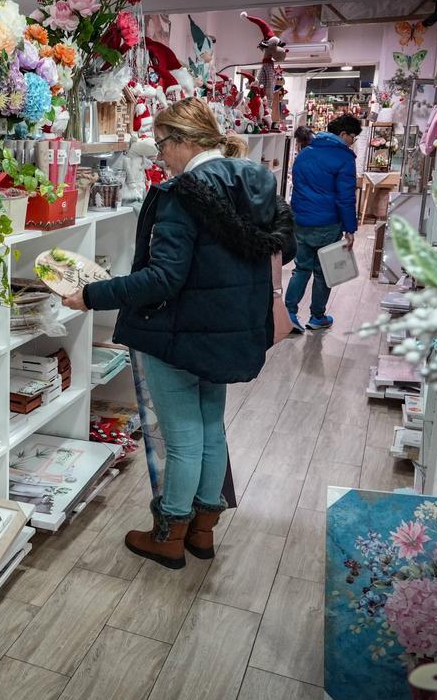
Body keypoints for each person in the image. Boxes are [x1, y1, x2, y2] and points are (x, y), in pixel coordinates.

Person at [62, 99, 294, 570]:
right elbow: (281, 249)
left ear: (187, 140)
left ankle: (169, 534)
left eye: (163, 144)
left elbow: (163, 278)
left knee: (184, 439)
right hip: (230, 330)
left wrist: (91, 295)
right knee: (210, 429)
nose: (159, 154)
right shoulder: (256, 182)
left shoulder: (183, 194)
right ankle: (202, 533)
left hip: (179, 331)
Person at [284, 114, 360, 332]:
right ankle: (317, 316)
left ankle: (289, 313)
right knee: (323, 270)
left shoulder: (305, 153)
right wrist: (350, 228)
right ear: (343, 134)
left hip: (301, 220)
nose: (352, 141)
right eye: (352, 137)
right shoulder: (344, 159)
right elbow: (345, 197)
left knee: (301, 268)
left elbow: (297, 188)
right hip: (328, 223)